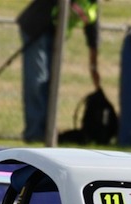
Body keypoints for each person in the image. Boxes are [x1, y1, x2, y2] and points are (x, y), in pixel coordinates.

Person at [16, 0, 100, 143]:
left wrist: (93, 66)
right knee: (38, 80)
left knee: (50, 84)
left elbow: (93, 34)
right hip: (36, 28)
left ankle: (47, 131)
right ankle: (34, 133)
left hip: (54, 36)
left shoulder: (92, 5)